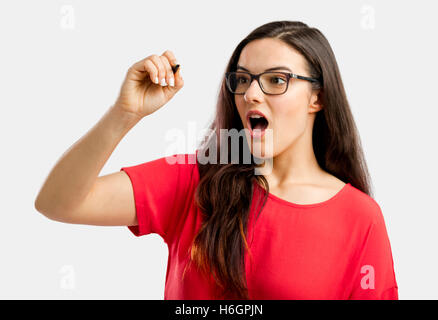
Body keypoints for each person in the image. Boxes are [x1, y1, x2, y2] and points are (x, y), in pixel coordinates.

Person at [35, 20, 398, 300]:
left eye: (276, 80)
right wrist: (124, 113)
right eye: (243, 79)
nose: (252, 93)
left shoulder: (360, 217)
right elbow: (58, 203)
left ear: (317, 98)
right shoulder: (194, 180)